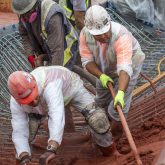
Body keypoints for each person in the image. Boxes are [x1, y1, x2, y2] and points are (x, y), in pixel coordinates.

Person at [7, 66, 117, 165]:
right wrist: (24, 157)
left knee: (98, 119)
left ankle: (111, 153)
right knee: (22, 144)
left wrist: (51, 148)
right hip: (41, 108)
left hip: (71, 89)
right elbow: (19, 130)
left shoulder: (50, 84)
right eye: (28, 100)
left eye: (33, 95)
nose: (33, 100)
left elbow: (56, 114)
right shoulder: (15, 102)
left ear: (35, 84)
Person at [79, 5, 145, 145]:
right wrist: (100, 75)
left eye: (105, 32)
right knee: (99, 103)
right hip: (105, 69)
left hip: (129, 64)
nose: (103, 36)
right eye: (99, 34)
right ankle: (99, 132)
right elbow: (87, 61)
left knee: (116, 108)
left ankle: (114, 138)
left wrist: (120, 93)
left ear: (108, 23)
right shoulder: (85, 35)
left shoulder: (121, 35)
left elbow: (124, 68)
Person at [11, 0, 78, 70]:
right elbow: (24, 35)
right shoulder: (24, 15)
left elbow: (57, 51)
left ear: (35, 6)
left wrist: (53, 75)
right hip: (49, 48)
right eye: (22, 14)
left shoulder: (51, 16)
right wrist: (30, 54)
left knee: (63, 74)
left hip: (65, 50)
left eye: (27, 14)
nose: (25, 18)